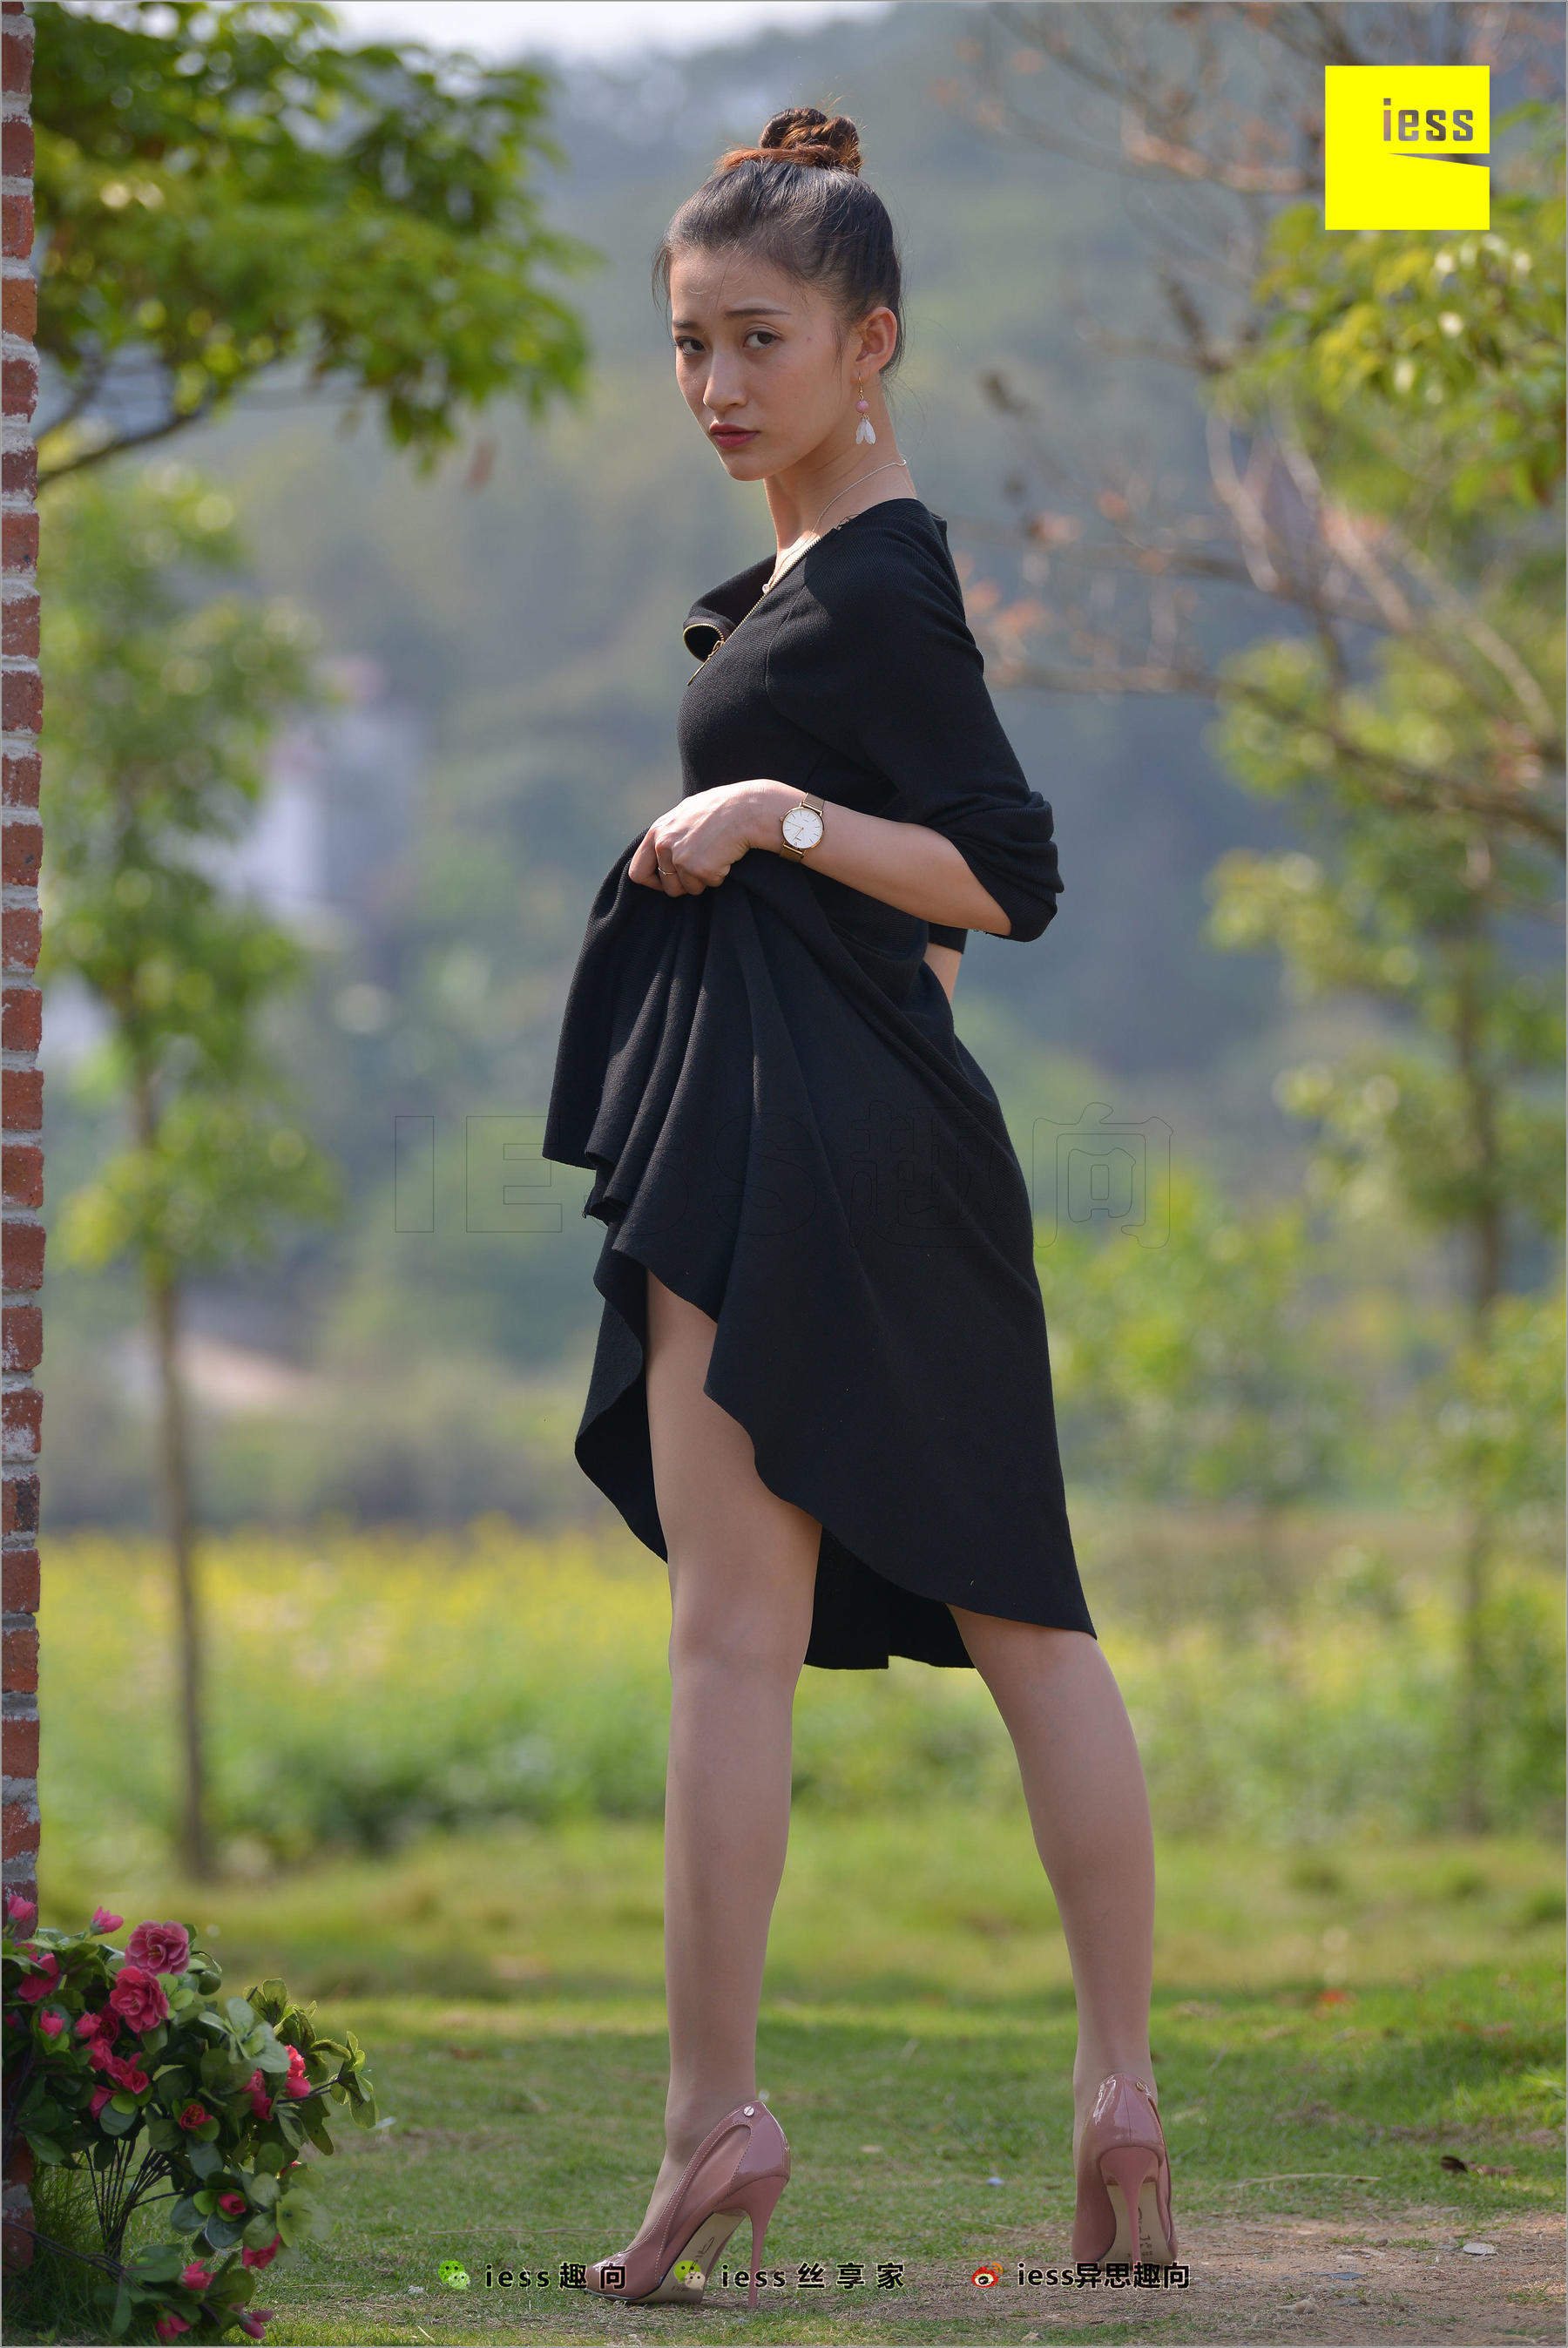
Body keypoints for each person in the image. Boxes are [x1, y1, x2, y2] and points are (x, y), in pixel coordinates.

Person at [540, 104, 1179, 2311]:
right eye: (690, 342)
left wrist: (773, 811)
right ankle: (1112, 2084)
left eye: (761, 339)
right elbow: (933, 900)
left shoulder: (885, 576)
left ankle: (721, 2116)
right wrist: (807, 847)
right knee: (1020, 1620)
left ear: (869, 343)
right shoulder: (830, 576)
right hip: (845, 1124)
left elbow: (1010, 870)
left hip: (799, 1143)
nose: (717, 382)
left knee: (755, 1644)